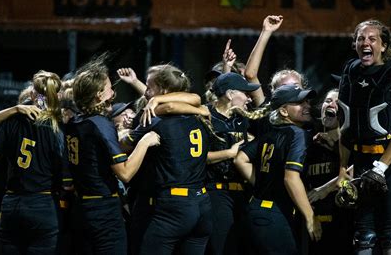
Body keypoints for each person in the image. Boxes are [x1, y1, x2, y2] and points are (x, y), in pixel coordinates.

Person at [336, 19, 391, 254]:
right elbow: (345, 125)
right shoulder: (350, 73)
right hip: (362, 163)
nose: (366, 43)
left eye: (372, 39)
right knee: (364, 236)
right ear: (354, 44)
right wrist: (343, 167)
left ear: (383, 46)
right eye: (361, 38)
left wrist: (380, 168)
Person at [65, 54, 159, 254]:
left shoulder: (75, 122)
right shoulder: (101, 123)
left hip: (80, 207)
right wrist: (144, 142)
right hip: (102, 209)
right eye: (109, 87)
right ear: (99, 94)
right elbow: (125, 173)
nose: (112, 91)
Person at [0, 70, 65, 254]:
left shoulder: (14, 122)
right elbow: (64, 177)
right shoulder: (59, 127)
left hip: (12, 204)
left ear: (33, 94)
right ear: (57, 95)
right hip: (42, 203)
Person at [123, 64, 212, 255]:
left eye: (149, 86)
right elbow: (193, 98)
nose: (146, 91)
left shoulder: (154, 120)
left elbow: (125, 146)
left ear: (162, 91)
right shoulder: (200, 116)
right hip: (202, 202)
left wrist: (122, 133)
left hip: (171, 207)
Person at [234, 84, 321, 254]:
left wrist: (263, 184)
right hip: (274, 214)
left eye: (307, 102)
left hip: (256, 210)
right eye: (299, 103)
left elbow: (240, 159)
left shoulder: (270, 133)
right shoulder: (297, 134)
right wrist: (310, 217)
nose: (307, 106)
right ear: (284, 111)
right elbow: (291, 178)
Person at [204, 71, 260, 255]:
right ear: (229, 94)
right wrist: (229, 153)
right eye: (244, 93)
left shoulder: (244, 120)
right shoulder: (205, 117)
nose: (248, 98)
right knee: (223, 247)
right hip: (216, 192)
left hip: (243, 193)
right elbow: (197, 157)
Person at [304, 89, 353, 255]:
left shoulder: (351, 144)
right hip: (313, 224)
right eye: (327, 101)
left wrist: (325, 189)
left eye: (337, 103)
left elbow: (359, 171)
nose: (331, 105)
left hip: (342, 225)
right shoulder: (308, 141)